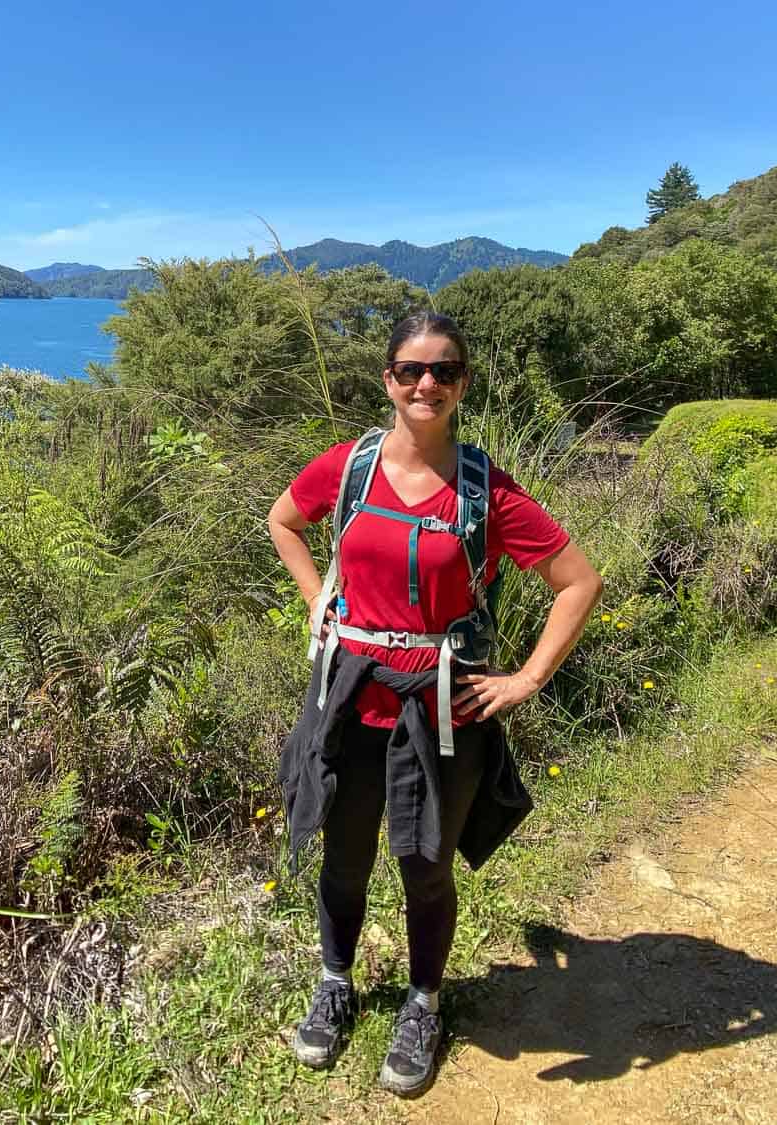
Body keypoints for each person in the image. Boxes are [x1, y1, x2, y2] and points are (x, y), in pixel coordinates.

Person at [266, 311, 602, 1096]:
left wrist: (525, 679)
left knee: (425, 868)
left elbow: (578, 582)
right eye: (412, 370)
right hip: (351, 705)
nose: (427, 384)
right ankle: (335, 981)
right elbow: (285, 520)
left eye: (443, 371)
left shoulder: (486, 490)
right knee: (345, 859)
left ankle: (423, 1001)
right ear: (388, 379)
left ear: (462, 384)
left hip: (445, 713)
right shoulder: (350, 469)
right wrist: (319, 601)